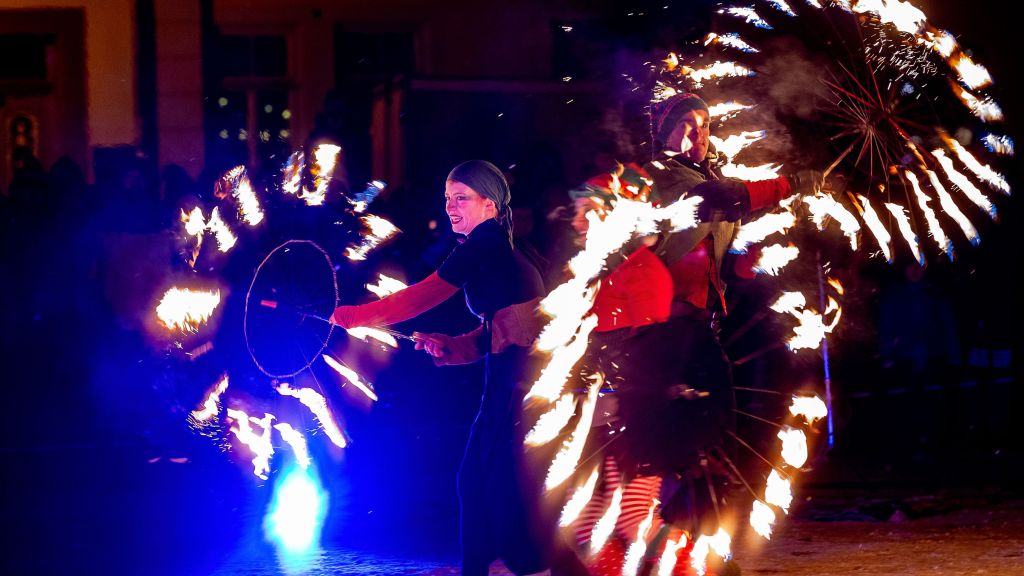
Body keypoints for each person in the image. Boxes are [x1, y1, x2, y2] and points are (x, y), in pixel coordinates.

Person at [331, 160, 585, 576]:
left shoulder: (487, 244)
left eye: (461, 198)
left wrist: (356, 316)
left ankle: (526, 567)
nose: (451, 206)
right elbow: (504, 331)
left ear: (489, 205)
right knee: (477, 480)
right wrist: (454, 346)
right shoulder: (490, 246)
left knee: (503, 486)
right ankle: (487, 567)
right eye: (448, 197)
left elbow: (423, 295)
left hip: (525, 387)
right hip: (510, 381)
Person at [641, 92, 822, 546]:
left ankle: (688, 539)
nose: (698, 134)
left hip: (700, 325)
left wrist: (765, 249)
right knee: (684, 432)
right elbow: (721, 197)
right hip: (664, 327)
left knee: (710, 433)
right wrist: (791, 185)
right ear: (664, 133)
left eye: (704, 125)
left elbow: (731, 263)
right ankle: (660, 530)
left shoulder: (708, 179)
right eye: (686, 124)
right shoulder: (665, 177)